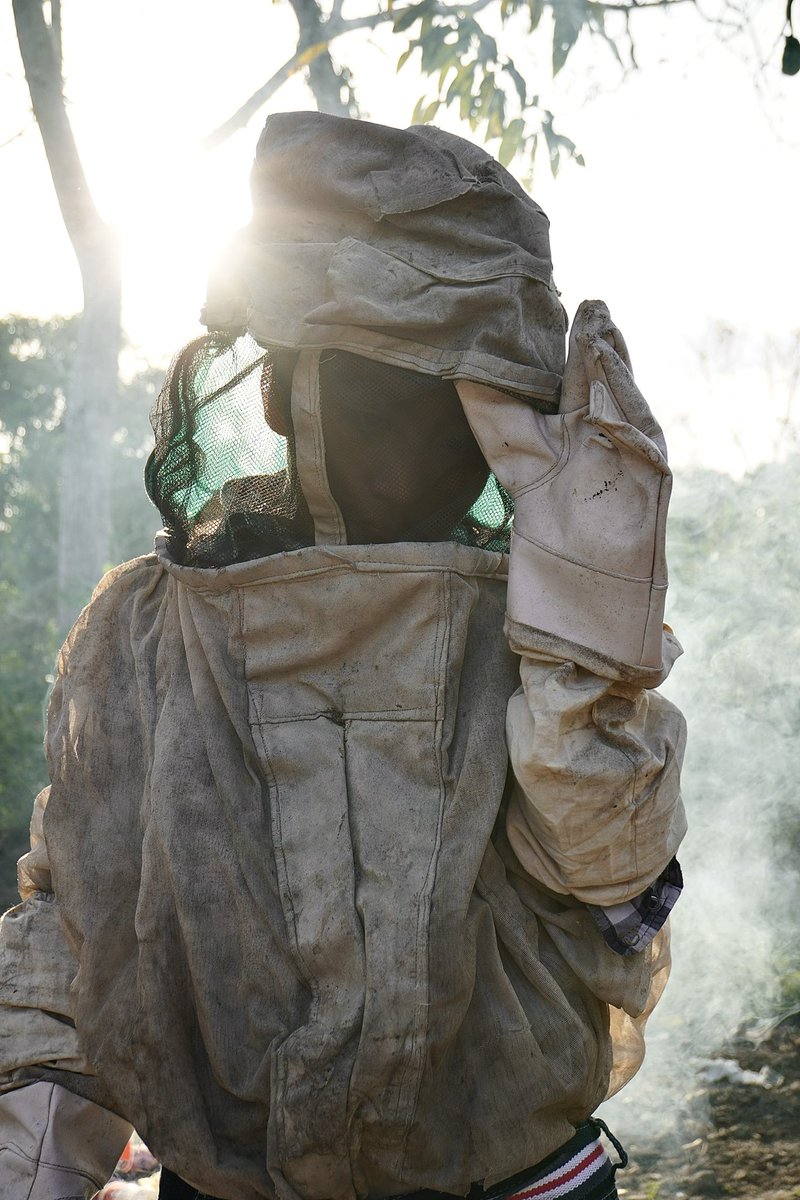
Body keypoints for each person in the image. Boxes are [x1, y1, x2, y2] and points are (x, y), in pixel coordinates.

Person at [0, 112, 686, 1200]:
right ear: (276, 394)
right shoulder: (145, 628)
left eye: (466, 406)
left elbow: (612, 889)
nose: (429, 444)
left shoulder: (544, 635)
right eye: (381, 397)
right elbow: (79, 916)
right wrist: (36, 1152)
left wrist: (590, 652)